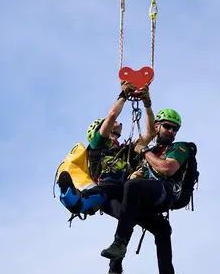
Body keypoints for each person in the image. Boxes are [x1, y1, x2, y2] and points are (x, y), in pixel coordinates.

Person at [99, 108, 193, 274]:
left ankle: (119, 243)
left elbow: (167, 168)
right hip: (140, 200)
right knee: (161, 228)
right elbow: (145, 133)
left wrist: (144, 150)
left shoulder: (180, 148)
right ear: (158, 126)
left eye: (175, 129)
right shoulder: (145, 149)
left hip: (163, 193)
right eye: (167, 126)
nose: (171, 131)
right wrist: (145, 103)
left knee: (132, 187)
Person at [56, 80, 155, 217]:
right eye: (109, 124)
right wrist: (123, 95)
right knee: (104, 191)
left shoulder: (124, 151)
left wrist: (147, 104)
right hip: (108, 189)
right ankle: (72, 198)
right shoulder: (98, 145)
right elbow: (112, 115)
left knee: (152, 222)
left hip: (125, 189)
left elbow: (151, 133)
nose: (117, 122)